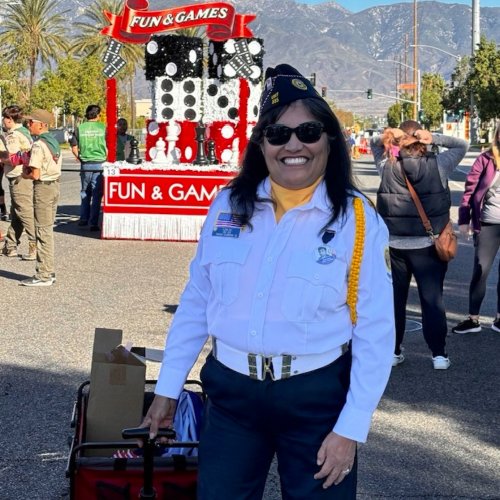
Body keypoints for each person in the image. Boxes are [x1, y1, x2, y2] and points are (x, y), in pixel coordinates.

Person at [142, 64, 395, 499]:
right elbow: (197, 301)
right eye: (277, 134)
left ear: (330, 139)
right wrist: (168, 388)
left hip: (316, 399)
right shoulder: (227, 205)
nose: (293, 145)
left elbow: (376, 331)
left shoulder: (358, 220)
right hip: (233, 397)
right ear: (260, 144)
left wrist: (351, 428)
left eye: (309, 131)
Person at [371, 122, 468, 370]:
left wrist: (394, 137)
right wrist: (433, 137)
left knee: (394, 300)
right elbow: (462, 145)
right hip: (429, 243)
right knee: (432, 299)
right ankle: (439, 355)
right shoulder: (440, 165)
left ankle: (393, 350)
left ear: (401, 139)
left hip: (393, 246)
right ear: (422, 140)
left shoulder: (386, 165)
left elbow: (373, 142)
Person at [452, 121, 500, 334]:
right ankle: (473, 319)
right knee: (481, 270)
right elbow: (470, 190)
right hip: (488, 223)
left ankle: (499, 318)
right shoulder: (486, 159)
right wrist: (464, 219)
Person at [19, 109, 62, 287]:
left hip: (43, 188)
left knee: (42, 231)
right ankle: (48, 270)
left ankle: (43, 275)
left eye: (31, 122)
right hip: (54, 186)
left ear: (41, 124)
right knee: (47, 230)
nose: (28, 125)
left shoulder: (38, 145)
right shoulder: (53, 141)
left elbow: (35, 174)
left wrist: (25, 173)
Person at [0, 105, 35, 260]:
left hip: (19, 176)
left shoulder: (14, 135)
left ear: (10, 119)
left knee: (24, 212)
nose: (3, 121)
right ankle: (10, 245)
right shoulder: (24, 132)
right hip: (22, 175)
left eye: (4, 118)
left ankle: (35, 245)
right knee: (16, 213)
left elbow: (13, 158)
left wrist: (1, 159)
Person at [69, 104, 107, 231]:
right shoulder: (103, 128)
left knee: (85, 191)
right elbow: (109, 146)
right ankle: (93, 222)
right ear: (98, 114)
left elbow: (74, 147)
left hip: (85, 163)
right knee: (97, 194)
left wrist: (80, 158)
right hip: (100, 163)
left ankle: (83, 218)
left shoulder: (80, 128)